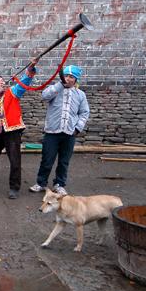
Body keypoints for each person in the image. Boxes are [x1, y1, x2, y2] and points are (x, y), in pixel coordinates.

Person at [0, 59, 38, 199]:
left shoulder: (13, 91)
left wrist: (31, 68)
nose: (2, 82)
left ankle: (14, 187)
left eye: (2, 81)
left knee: (14, 159)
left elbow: (25, 81)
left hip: (12, 130)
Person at [30, 65, 90, 195]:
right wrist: (60, 85)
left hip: (69, 133)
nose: (68, 79)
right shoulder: (55, 89)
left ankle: (59, 184)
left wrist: (77, 128)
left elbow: (84, 112)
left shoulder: (80, 95)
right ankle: (41, 183)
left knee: (64, 161)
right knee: (47, 159)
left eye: (71, 77)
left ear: (76, 79)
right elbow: (44, 96)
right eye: (66, 76)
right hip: (52, 132)